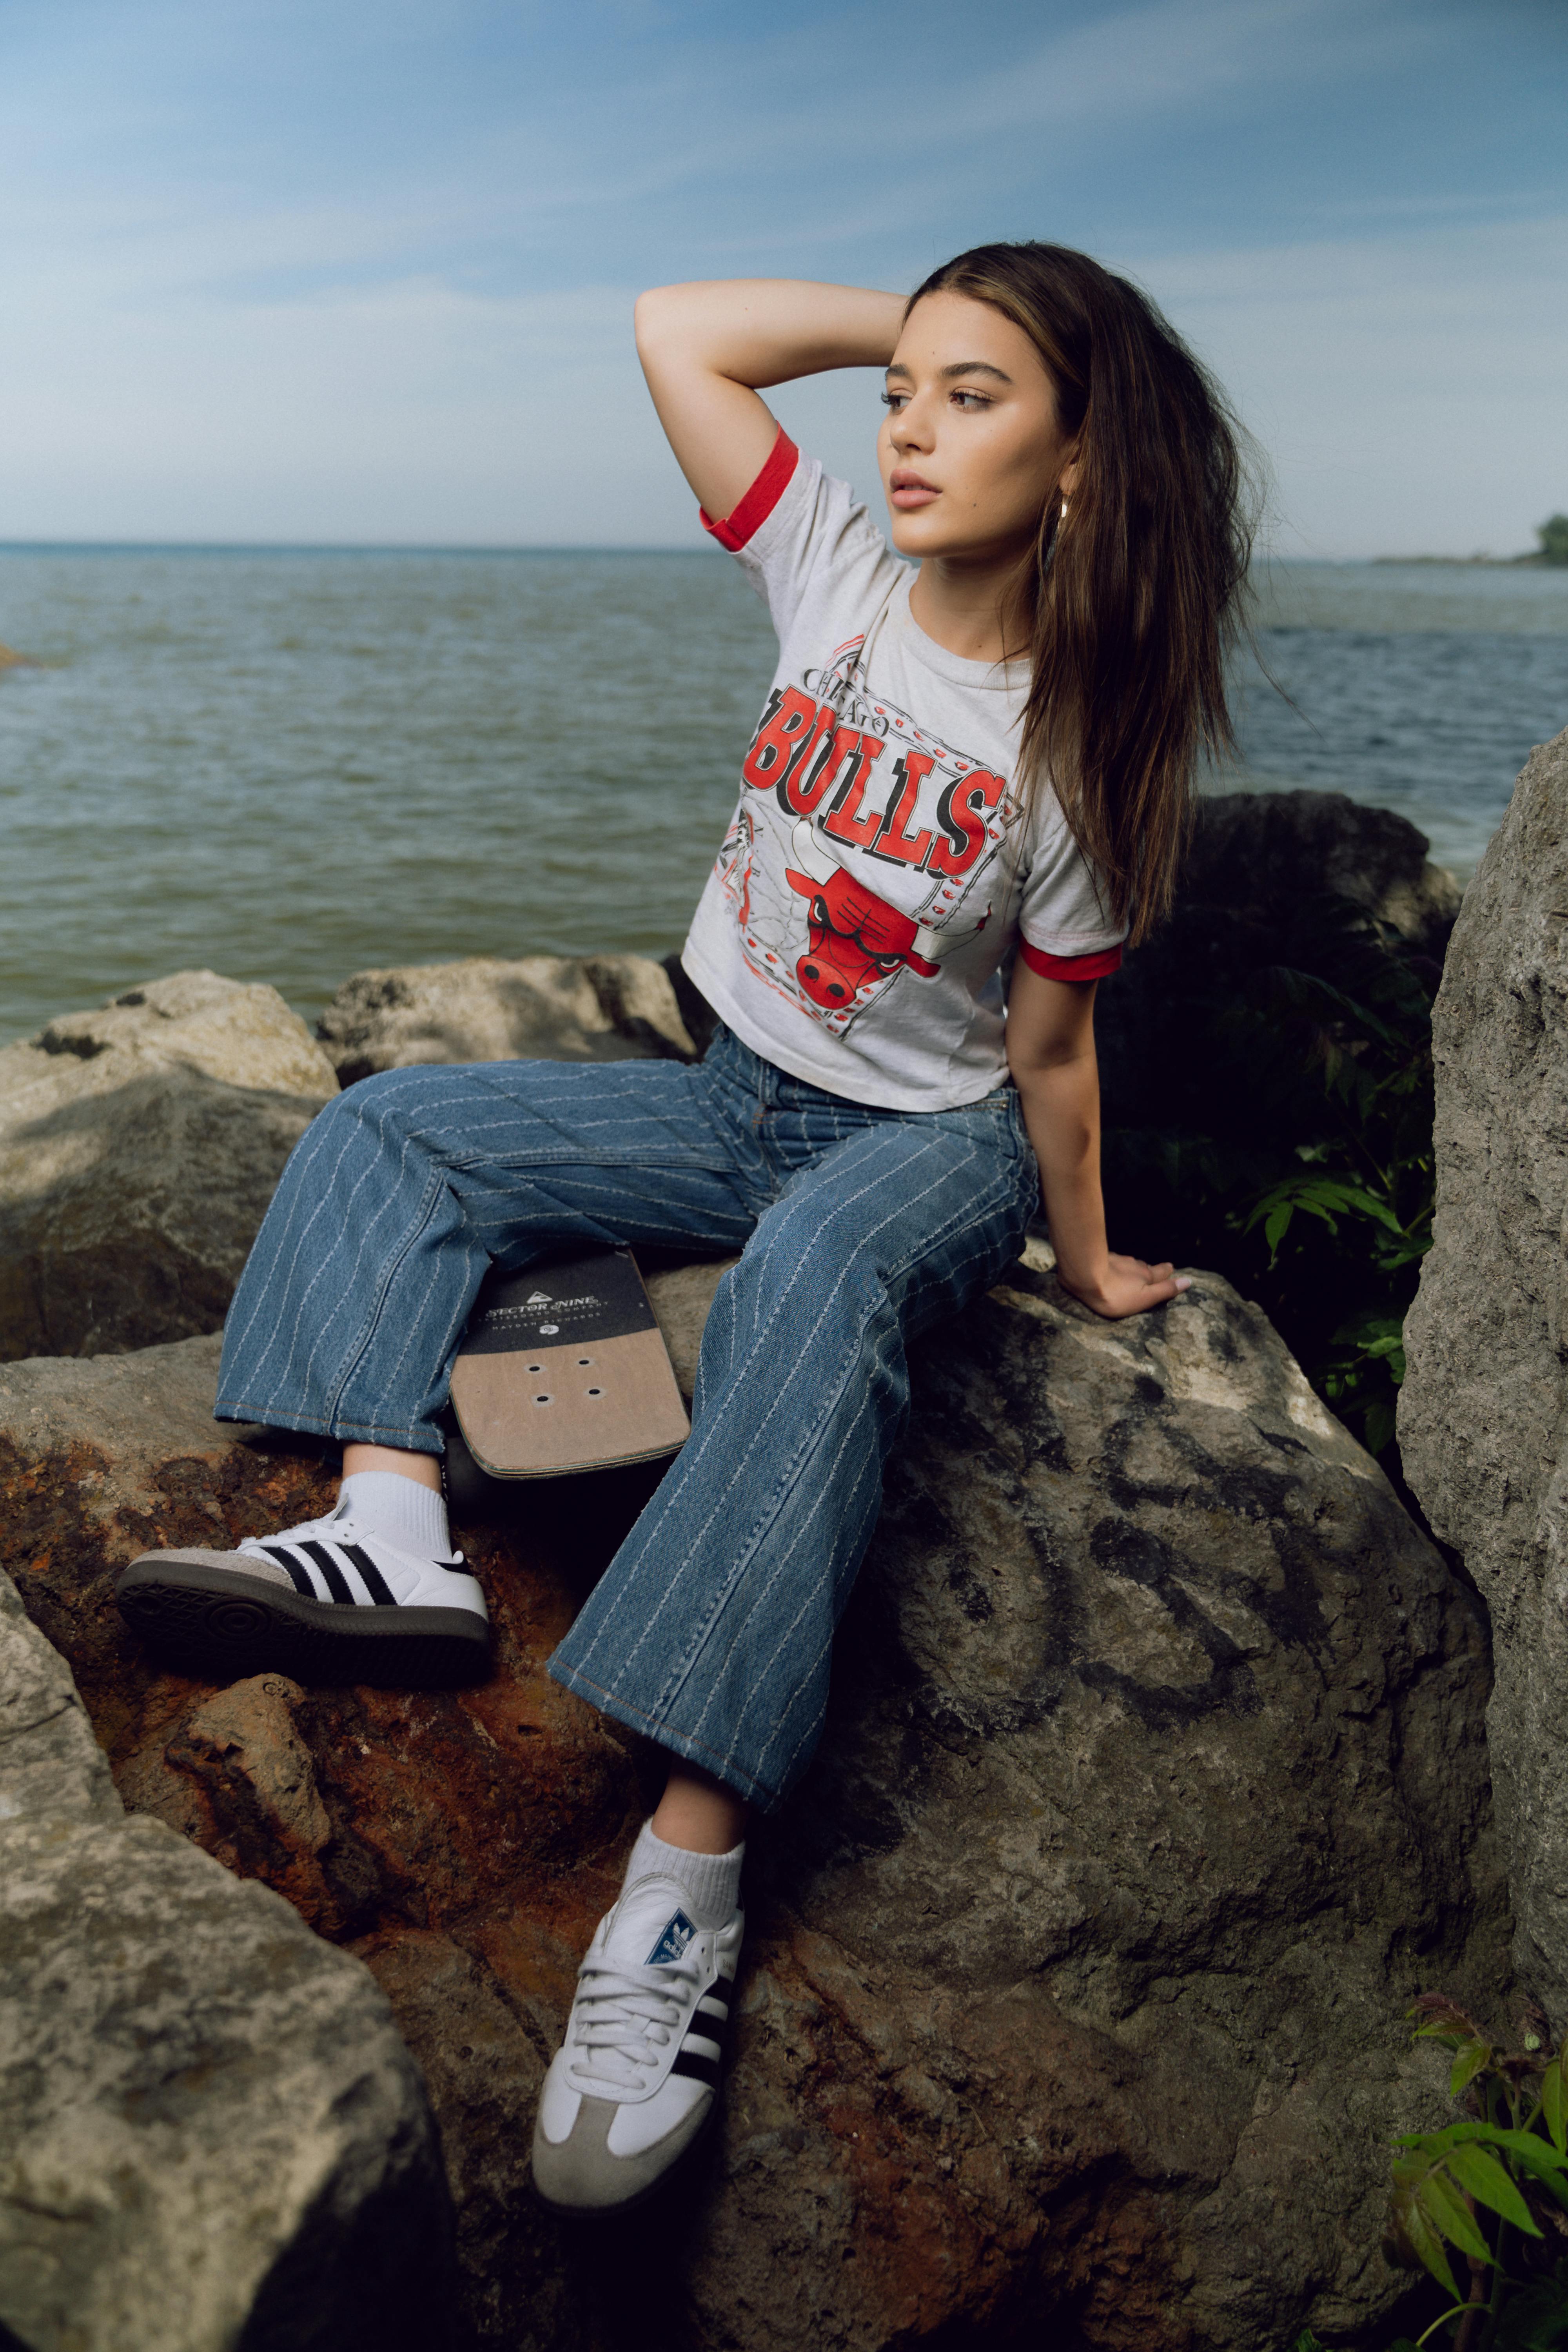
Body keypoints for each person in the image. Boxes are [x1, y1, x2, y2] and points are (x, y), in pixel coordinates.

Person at [116, 243, 1255, 2218]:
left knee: (816, 1277)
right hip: (729, 1094)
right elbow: (677, 329)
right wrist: (913, 322)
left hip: (931, 1142)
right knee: (394, 1132)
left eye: (975, 397)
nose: (905, 424)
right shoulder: (826, 567)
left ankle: (682, 1886)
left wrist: (1083, 1255)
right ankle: (392, 1532)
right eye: (906, 386)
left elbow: (1052, 1052)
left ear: (1083, 460)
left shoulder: (1079, 742)